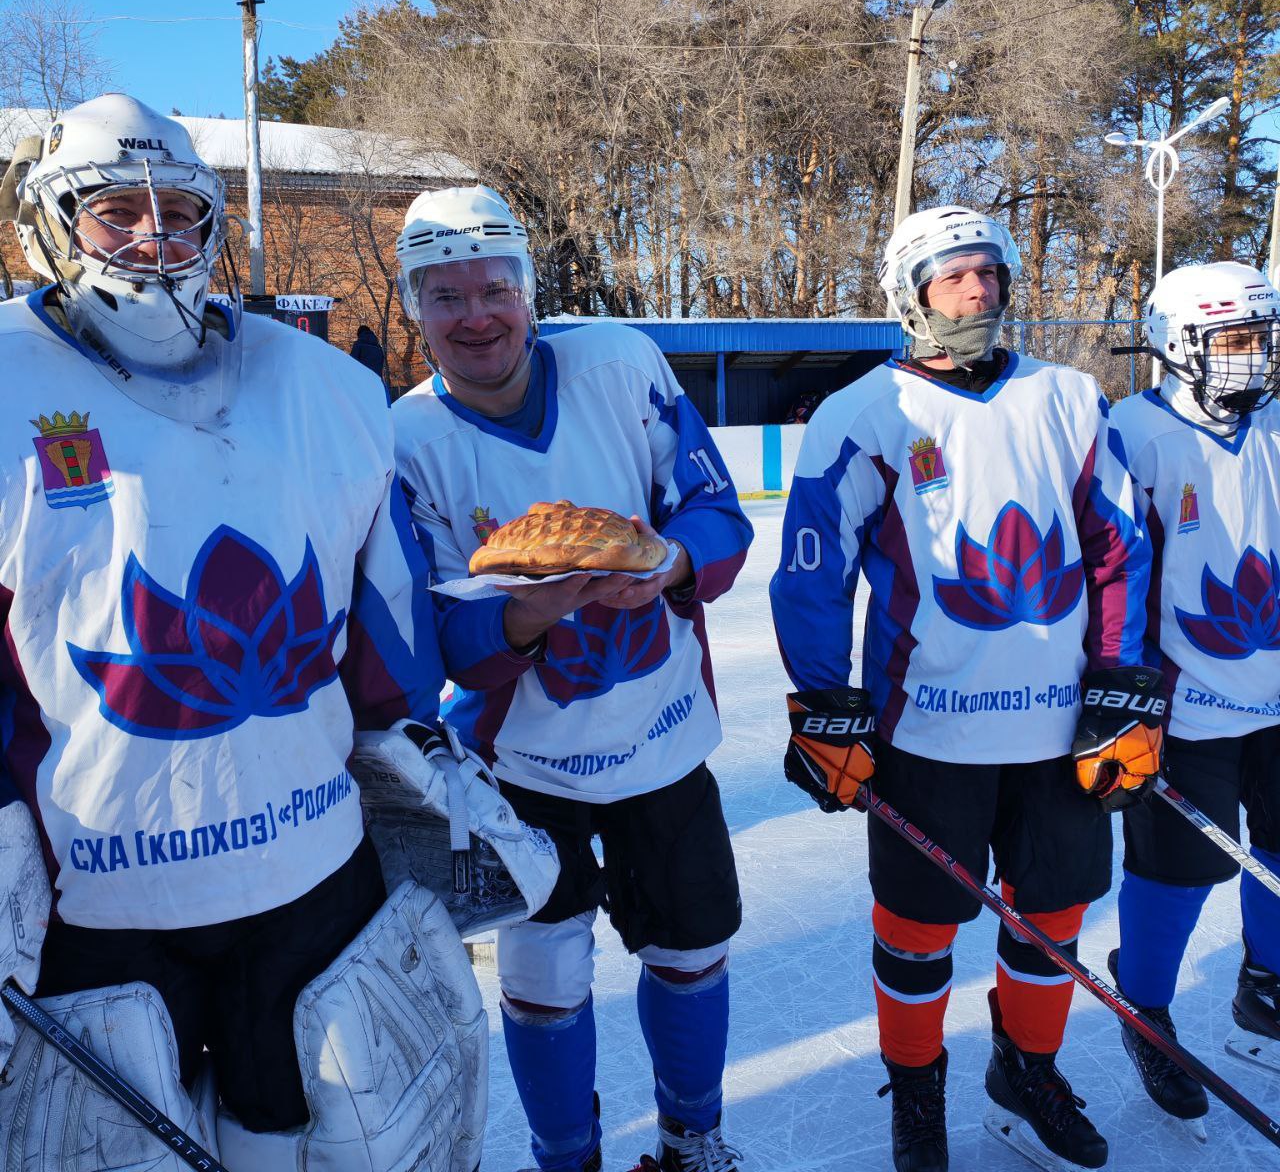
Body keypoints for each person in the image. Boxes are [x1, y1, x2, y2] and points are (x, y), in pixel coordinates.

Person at [0, 94, 489, 1171]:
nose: (151, 238)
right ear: (49, 220)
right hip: (96, 891)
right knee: (112, 1149)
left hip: (308, 864)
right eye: (113, 211)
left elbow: (389, 633)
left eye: (176, 210)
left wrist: (418, 745)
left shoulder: (326, 385)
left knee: (308, 1126)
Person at [769, 205, 1160, 1172]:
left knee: (1054, 920)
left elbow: (1119, 546)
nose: (978, 289)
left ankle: (1025, 1073)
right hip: (924, 735)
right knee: (915, 932)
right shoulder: (864, 414)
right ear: (911, 294)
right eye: (954, 275)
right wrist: (824, 701)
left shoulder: (1068, 396)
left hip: (1061, 733)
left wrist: (1119, 682)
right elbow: (812, 573)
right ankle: (917, 1090)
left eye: (990, 272)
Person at [391, 185, 754, 1172]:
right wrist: (528, 612)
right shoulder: (406, 439)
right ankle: (567, 1159)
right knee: (544, 977)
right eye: (444, 295)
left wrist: (666, 562)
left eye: (493, 286)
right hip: (518, 769)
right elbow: (437, 643)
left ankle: (691, 1138)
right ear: (414, 309)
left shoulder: (618, 361)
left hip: (663, 736)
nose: (474, 314)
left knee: (689, 952)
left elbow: (718, 516)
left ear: (527, 289)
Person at [1107, 261, 1280, 1125]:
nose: (1253, 358)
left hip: (1279, 693)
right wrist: (1123, 696)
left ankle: (1266, 985)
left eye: (1262, 338)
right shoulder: (1133, 432)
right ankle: (1145, 1007)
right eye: (1234, 341)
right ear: (1180, 344)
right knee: (1179, 870)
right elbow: (1111, 577)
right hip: (1187, 705)